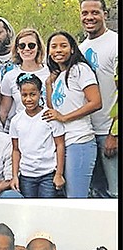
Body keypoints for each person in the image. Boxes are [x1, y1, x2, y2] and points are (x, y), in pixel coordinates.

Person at [44, 30, 102, 198]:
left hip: (80, 141)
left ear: (72, 49)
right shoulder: (59, 76)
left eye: (63, 46)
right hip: (63, 142)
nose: (58, 50)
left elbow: (96, 102)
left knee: (76, 197)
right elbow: (52, 109)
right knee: (67, 197)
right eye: (53, 47)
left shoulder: (80, 69)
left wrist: (64, 118)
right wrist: (49, 84)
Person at [79, 0, 119, 199]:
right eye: (85, 13)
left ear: (105, 14)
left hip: (110, 132)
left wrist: (114, 133)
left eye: (95, 12)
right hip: (87, 134)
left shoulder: (116, 43)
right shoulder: (81, 47)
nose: (89, 17)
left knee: (115, 193)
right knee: (96, 194)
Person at [9, 72, 66, 197]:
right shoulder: (16, 120)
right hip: (26, 176)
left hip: (48, 174)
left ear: (40, 93)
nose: (28, 99)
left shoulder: (49, 116)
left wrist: (59, 174)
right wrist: (14, 176)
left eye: (33, 94)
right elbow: (16, 150)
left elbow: (60, 145)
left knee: (47, 208)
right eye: (24, 95)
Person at [0, 28, 50, 129]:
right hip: (22, 129)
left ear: (38, 48)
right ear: (17, 49)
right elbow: (4, 110)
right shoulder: (9, 77)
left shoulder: (51, 72)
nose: (26, 49)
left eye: (31, 45)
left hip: (48, 127)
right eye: (22, 46)